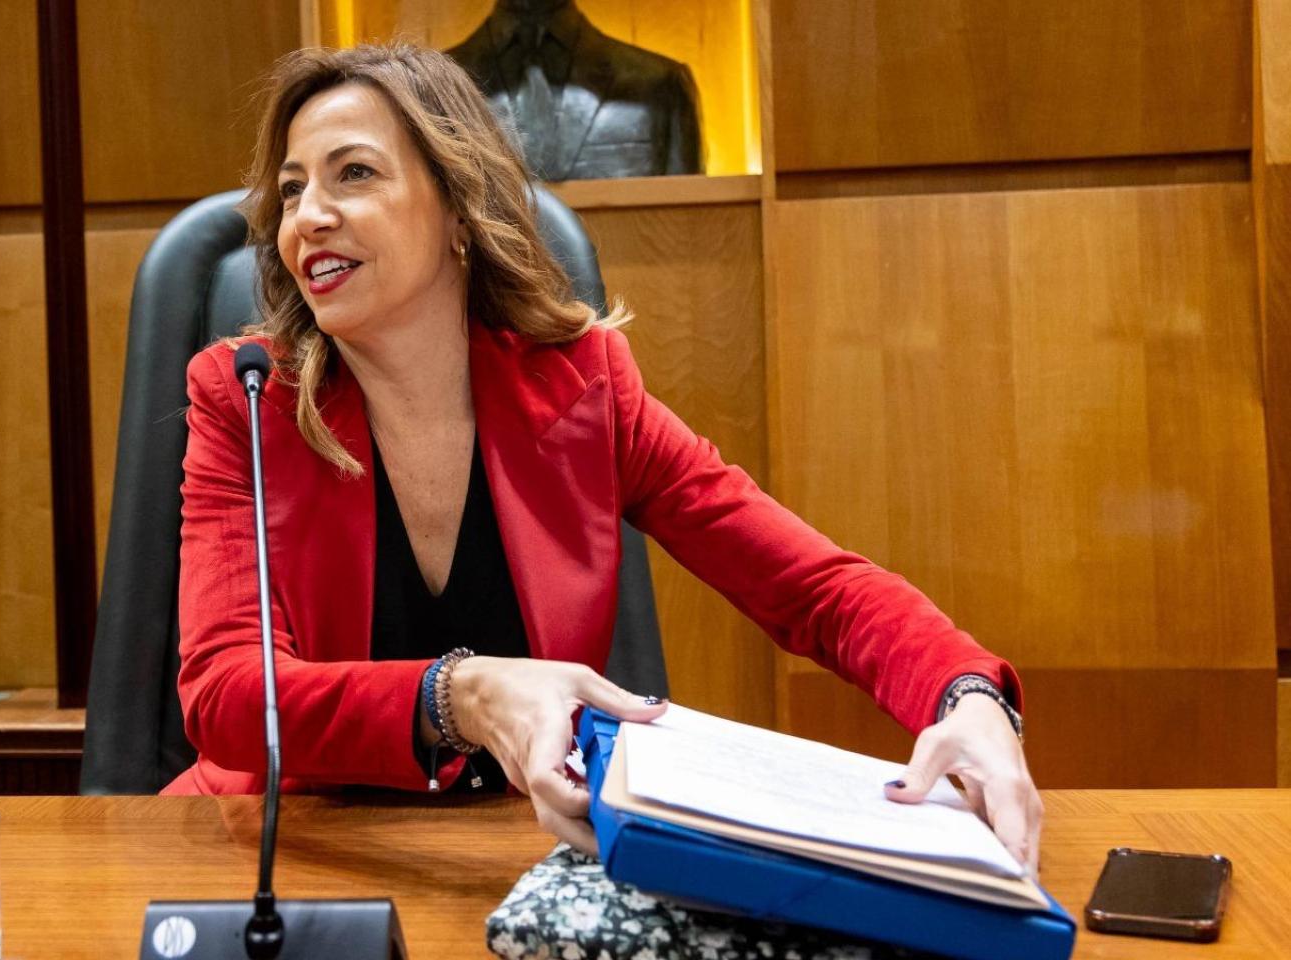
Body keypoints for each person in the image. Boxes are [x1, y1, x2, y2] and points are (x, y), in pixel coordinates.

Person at [164, 44, 1041, 877]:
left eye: (353, 173)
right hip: (284, 852)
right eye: (290, 190)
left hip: (527, 850)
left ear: (460, 212)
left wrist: (968, 695)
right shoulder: (245, 398)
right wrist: (457, 695)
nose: (306, 216)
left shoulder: (581, 390)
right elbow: (227, 691)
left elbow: (813, 589)